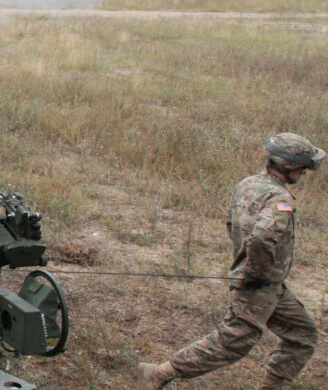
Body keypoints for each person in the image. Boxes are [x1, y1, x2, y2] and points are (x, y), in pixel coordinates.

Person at [135, 133, 323, 390]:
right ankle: (158, 373)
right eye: (302, 168)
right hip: (259, 283)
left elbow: (231, 223)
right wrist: (256, 273)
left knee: (303, 334)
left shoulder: (247, 184)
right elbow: (261, 238)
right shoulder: (280, 199)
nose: (303, 174)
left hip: (270, 285)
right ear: (289, 166)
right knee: (232, 343)